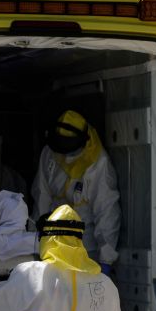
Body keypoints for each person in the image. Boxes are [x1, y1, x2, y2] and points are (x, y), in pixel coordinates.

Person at [30, 110, 121, 274]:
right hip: (52, 248)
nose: (66, 156)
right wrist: (35, 242)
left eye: (70, 150)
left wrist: (106, 260)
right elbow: (41, 196)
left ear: (82, 143)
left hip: (87, 253)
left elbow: (107, 212)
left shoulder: (99, 165)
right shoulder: (50, 153)